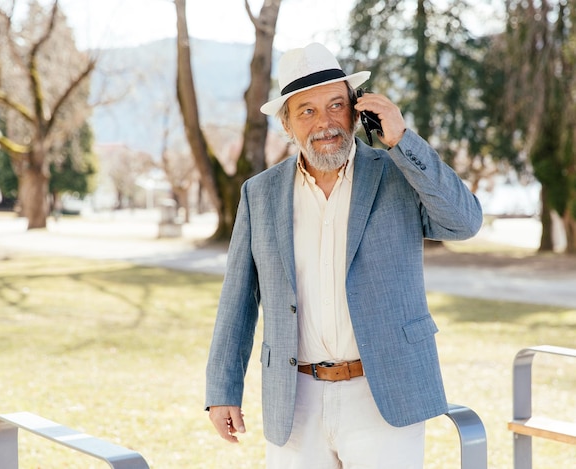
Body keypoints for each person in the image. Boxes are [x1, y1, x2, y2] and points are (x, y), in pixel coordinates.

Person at [205, 42, 483, 468]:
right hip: (295, 400)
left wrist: (403, 139)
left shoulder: (397, 172)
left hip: (385, 394)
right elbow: (238, 299)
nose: (325, 122)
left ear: (357, 111)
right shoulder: (258, 194)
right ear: (288, 124)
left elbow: (464, 222)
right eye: (307, 111)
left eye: (336, 105)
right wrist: (222, 389)